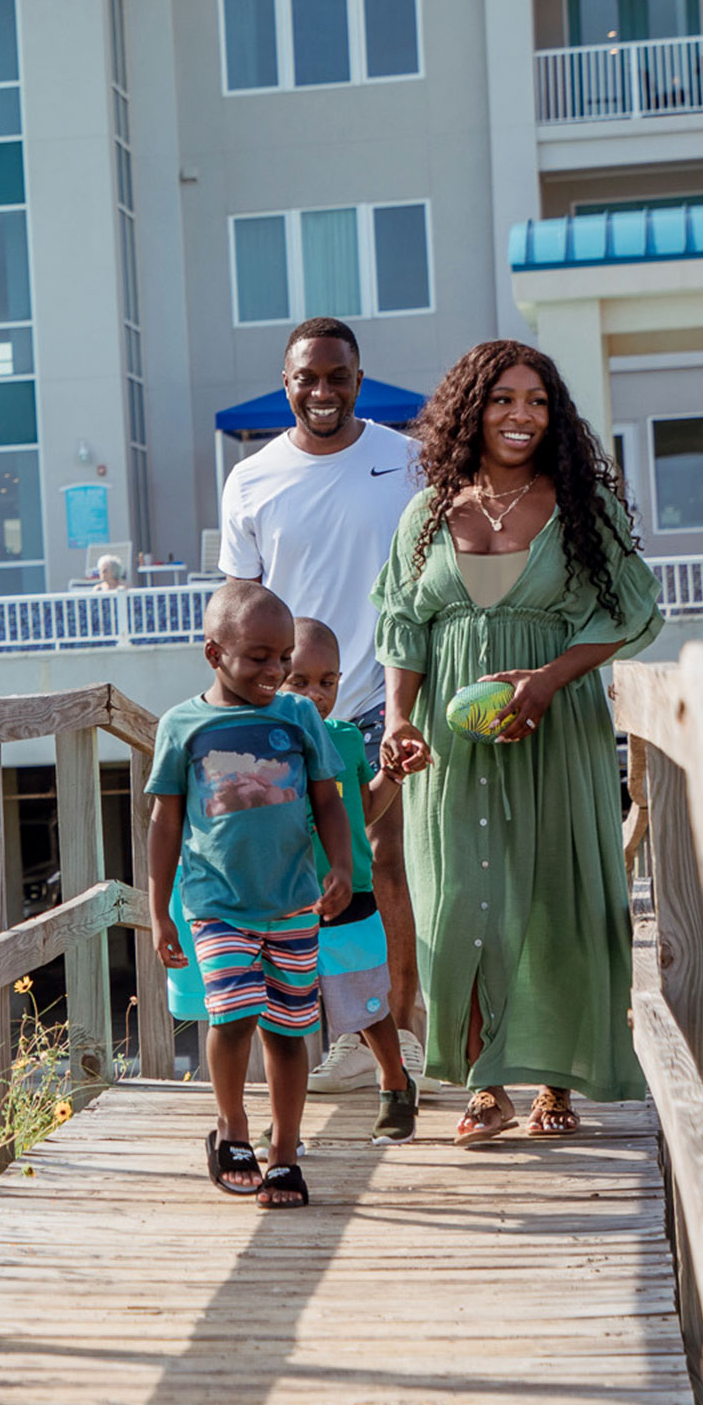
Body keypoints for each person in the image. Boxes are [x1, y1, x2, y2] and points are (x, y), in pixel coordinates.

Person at [373, 339, 661, 1143]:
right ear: (473, 408)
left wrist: (547, 680)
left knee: (554, 902)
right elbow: (403, 627)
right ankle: (483, 1084)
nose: (521, 415)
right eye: (504, 399)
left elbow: (630, 612)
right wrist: (398, 721)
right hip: (452, 744)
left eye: (537, 401)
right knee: (460, 901)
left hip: (555, 728)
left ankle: (555, 1086)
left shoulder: (580, 510)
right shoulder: (428, 513)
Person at [219, 317, 426, 1097]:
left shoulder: (406, 462)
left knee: (389, 869)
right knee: (288, 877)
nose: (323, 391)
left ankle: (400, 1026)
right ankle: (310, 1039)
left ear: (358, 381)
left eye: (338, 376)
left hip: (384, 695)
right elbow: (237, 601)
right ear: (287, 384)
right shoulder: (252, 479)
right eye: (308, 378)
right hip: (284, 710)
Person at [148, 580, 355, 1208]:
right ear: (215, 654)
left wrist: (341, 866)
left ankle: (286, 1151)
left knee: (289, 1031)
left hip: (293, 901)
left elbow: (327, 801)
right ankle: (233, 1130)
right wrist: (159, 910)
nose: (277, 670)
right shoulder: (183, 726)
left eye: (284, 655)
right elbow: (164, 822)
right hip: (217, 905)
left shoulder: (297, 718)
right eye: (259, 656)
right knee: (232, 1014)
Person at [286, 616, 418, 1143]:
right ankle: (286, 1123)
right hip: (286, 900)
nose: (317, 695)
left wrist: (393, 775)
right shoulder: (264, 743)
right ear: (274, 673)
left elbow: (363, 810)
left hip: (350, 896)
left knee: (365, 1001)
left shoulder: (343, 738)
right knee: (286, 1013)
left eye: (328, 682)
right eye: (300, 680)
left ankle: (393, 1080)